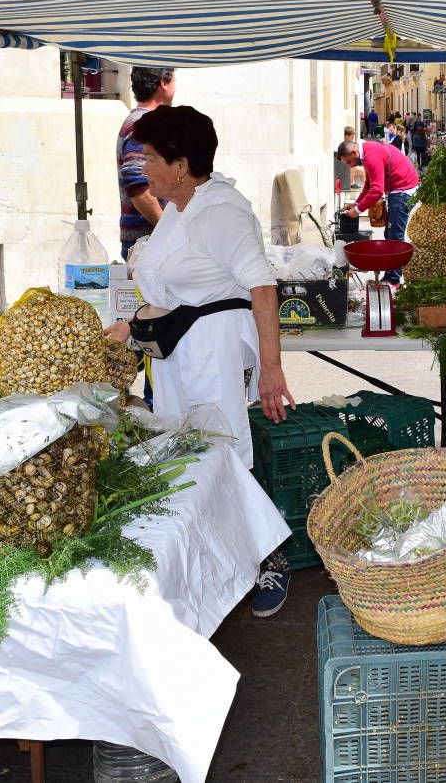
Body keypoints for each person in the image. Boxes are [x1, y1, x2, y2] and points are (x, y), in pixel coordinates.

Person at [101, 105, 298, 616]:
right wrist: (128, 328)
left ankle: (271, 559)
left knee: (225, 454)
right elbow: (168, 287)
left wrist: (272, 369)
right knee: (185, 456)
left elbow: (262, 288)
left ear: (182, 164)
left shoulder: (222, 212)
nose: (143, 168)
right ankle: (214, 565)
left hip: (214, 351)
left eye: (151, 157)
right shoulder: (178, 210)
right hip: (176, 351)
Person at [337, 138, 419, 284]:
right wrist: (356, 203)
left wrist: (357, 210)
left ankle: (393, 281)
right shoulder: (366, 153)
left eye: (349, 162)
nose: (350, 166)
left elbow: (376, 190)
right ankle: (390, 276)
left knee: (395, 237)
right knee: (389, 235)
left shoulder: (371, 157)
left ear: (354, 152)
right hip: (398, 188)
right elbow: (369, 184)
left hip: (404, 189)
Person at [118, 66, 175, 260]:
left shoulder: (143, 122)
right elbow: (137, 184)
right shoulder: (142, 123)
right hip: (147, 241)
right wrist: (166, 228)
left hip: (148, 240)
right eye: (174, 80)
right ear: (163, 83)